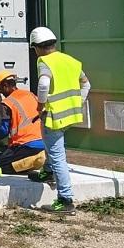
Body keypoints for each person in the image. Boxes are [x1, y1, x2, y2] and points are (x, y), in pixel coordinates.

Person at [29, 27, 91, 215]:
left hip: (54, 114)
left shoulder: (44, 60)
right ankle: (47, 172)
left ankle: (65, 199)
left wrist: (40, 104)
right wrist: (77, 102)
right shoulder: (71, 61)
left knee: (58, 156)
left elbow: (44, 83)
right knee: (52, 145)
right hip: (70, 114)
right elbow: (87, 84)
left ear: (37, 47)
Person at [0, 70, 47, 176]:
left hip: (26, 144)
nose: (1, 94)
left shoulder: (7, 103)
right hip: (44, 141)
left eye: (0, 90)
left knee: (2, 166)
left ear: (5, 85)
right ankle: (38, 161)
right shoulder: (31, 95)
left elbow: (4, 130)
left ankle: (36, 160)